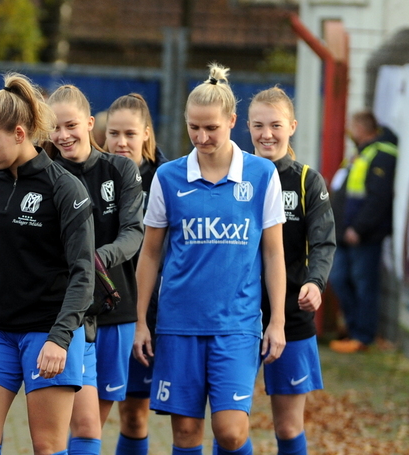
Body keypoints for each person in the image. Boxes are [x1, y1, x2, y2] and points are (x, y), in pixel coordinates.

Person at [132, 63, 287, 455]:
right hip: (178, 324)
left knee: (231, 431)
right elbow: (150, 254)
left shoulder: (262, 174)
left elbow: (273, 253)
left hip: (237, 326)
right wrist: (140, 322)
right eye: (193, 128)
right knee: (185, 434)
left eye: (211, 128)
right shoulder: (168, 177)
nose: (202, 137)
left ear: (232, 121)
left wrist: (278, 321)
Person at [0, 73, 95, 455]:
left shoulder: (65, 188)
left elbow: (84, 272)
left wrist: (60, 338)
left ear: (19, 133)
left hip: (47, 333)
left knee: (47, 446)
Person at [47, 85, 144, 455]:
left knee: (92, 425)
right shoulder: (46, 174)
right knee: (74, 422)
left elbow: (134, 232)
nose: (63, 135)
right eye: (55, 128)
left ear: (90, 123)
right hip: (66, 314)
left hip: (114, 310)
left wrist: (97, 258)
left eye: (70, 124)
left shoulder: (119, 169)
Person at [248, 86, 335, 455]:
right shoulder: (235, 175)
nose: (267, 134)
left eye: (276, 125)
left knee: (287, 426)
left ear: (293, 126)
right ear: (245, 127)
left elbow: (323, 242)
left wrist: (315, 282)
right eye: (258, 125)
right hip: (239, 314)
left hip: (291, 315)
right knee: (229, 424)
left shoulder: (305, 182)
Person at [103, 93, 168, 455]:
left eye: (130, 133)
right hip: (97, 310)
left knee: (134, 415)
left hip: (147, 312)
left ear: (146, 133)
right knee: (83, 414)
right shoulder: (93, 174)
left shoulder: (167, 177)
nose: (121, 142)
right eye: (114, 133)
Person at [328, 110, 397, 353]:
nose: (350, 131)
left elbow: (378, 199)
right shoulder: (362, 153)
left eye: (352, 126)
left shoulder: (381, 154)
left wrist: (358, 228)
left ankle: (363, 336)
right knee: (338, 278)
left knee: (364, 284)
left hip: (364, 235)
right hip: (345, 233)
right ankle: (353, 328)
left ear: (362, 128)